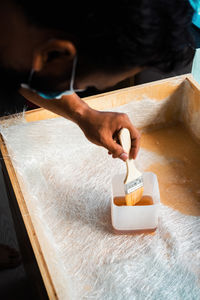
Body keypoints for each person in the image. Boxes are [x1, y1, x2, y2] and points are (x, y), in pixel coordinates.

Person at [0, 0, 194, 269]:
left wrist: (85, 114)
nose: (78, 91)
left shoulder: (22, 39)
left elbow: (26, 72)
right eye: (86, 85)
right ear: (54, 53)